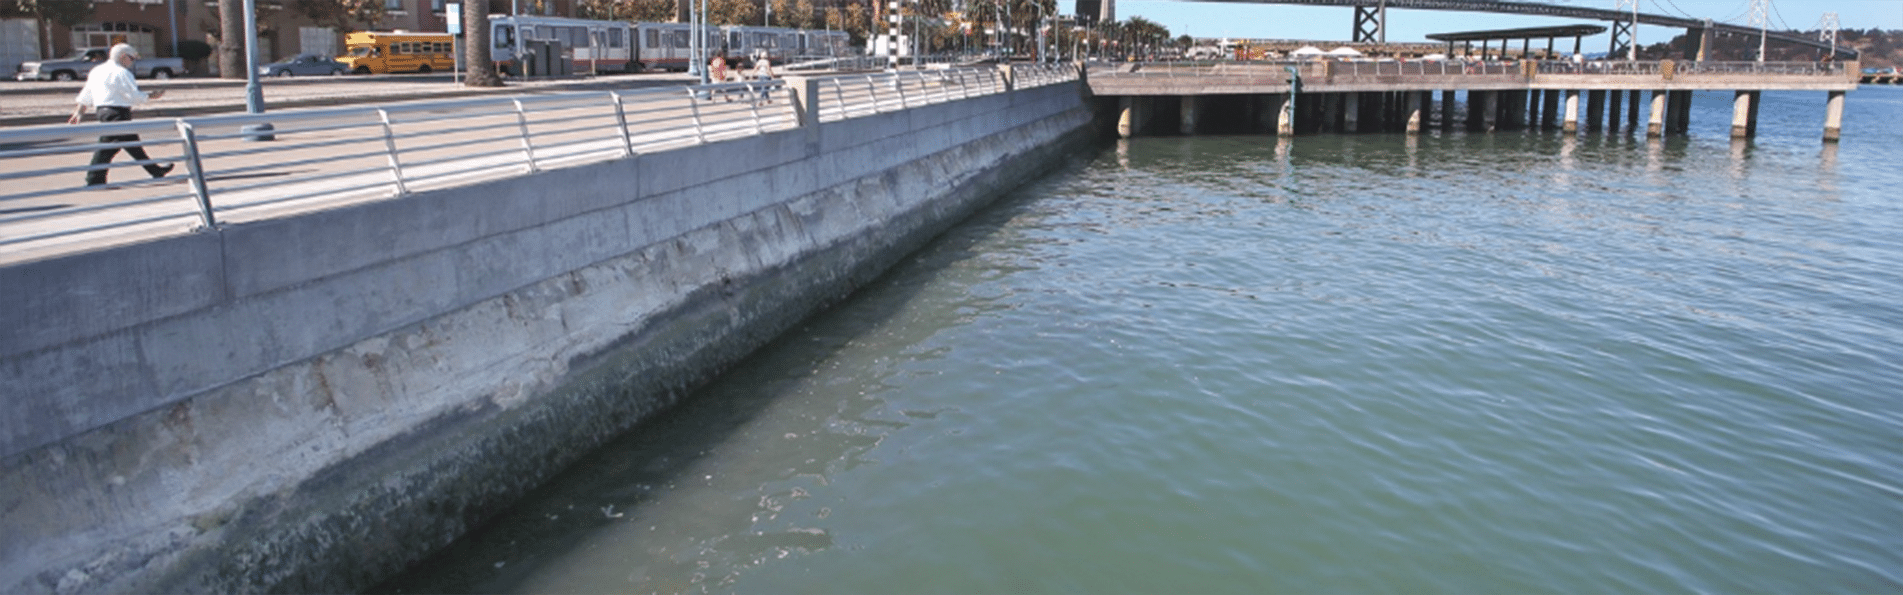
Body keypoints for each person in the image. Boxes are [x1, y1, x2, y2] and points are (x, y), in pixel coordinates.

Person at [69, 43, 172, 187]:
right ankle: (93, 179)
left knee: (129, 144)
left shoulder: (97, 70)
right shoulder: (122, 72)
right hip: (118, 112)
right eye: (131, 58)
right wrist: (149, 96)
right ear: (123, 57)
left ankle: (155, 170)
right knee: (110, 147)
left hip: (103, 112)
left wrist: (79, 111)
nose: (132, 62)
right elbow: (132, 95)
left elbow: (87, 92)